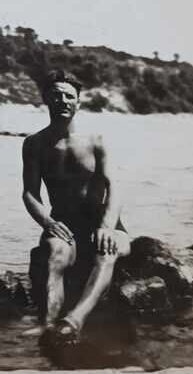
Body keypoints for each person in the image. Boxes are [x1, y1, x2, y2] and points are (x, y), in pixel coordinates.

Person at [22, 70, 130, 344]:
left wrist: (107, 226)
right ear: (46, 99)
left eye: (69, 96)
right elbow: (29, 193)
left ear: (78, 102)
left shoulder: (95, 140)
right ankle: (47, 324)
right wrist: (47, 223)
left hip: (101, 221)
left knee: (107, 251)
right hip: (63, 222)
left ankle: (75, 320)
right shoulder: (34, 144)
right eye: (56, 95)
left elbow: (115, 186)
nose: (63, 101)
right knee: (52, 251)